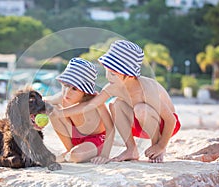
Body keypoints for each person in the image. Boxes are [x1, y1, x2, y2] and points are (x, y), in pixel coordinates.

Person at [51, 40, 181, 163]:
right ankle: (131, 149)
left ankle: (156, 147)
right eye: (107, 71)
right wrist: (60, 113)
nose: (108, 77)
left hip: (165, 126)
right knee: (115, 104)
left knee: (141, 109)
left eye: (113, 73)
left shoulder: (147, 89)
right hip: (140, 122)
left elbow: (171, 120)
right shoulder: (113, 87)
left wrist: (161, 146)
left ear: (129, 75)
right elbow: (91, 104)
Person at [44, 57, 115, 164]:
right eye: (66, 85)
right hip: (74, 136)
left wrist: (105, 155)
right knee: (53, 112)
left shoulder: (96, 102)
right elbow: (45, 101)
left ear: (85, 92)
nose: (67, 92)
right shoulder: (62, 98)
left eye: (74, 89)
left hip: (95, 140)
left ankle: (73, 153)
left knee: (76, 156)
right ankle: (69, 149)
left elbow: (110, 128)